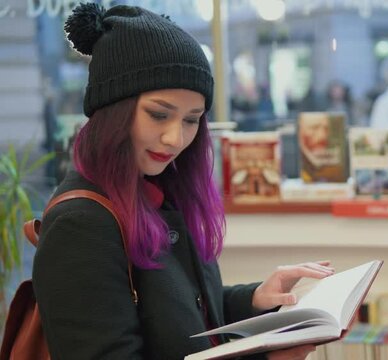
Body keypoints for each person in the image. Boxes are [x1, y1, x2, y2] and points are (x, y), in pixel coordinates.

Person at [32, 4, 333, 360]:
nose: (176, 138)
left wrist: (254, 298)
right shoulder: (81, 224)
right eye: (159, 114)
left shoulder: (158, 191)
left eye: (192, 120)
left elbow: (180, 315)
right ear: (112, 109)